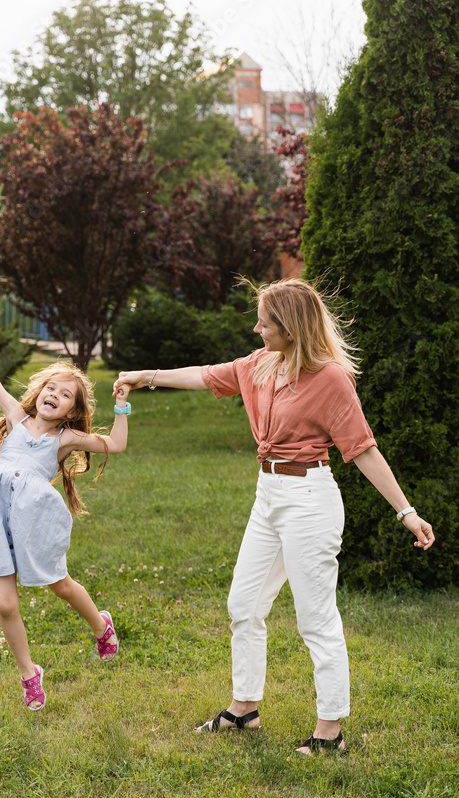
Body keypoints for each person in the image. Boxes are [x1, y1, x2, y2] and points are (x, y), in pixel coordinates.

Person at [114, 279, 434, 755]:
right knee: (243, 604)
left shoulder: (330, 379)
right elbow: (205, 375)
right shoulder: (260, 363)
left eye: (265, 322)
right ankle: (244, 709)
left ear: (291, 328)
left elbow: (362, 449)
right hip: (269, 494)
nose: (257, 328)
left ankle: (330, 734)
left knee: (316, 619)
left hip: (310, 500)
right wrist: (146, 375)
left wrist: (405, 511)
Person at [0, 315, 131, 712]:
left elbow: (115, 444)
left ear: (71, 410)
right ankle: (29, 675)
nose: (54, 394)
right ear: (39, 391)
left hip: (34, 521)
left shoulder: (65, 438)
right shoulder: (18, 419)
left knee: (60, 585)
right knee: (4, 605)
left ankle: (101, 625)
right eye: (50, 387)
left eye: (65, 394)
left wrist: (122, 406)